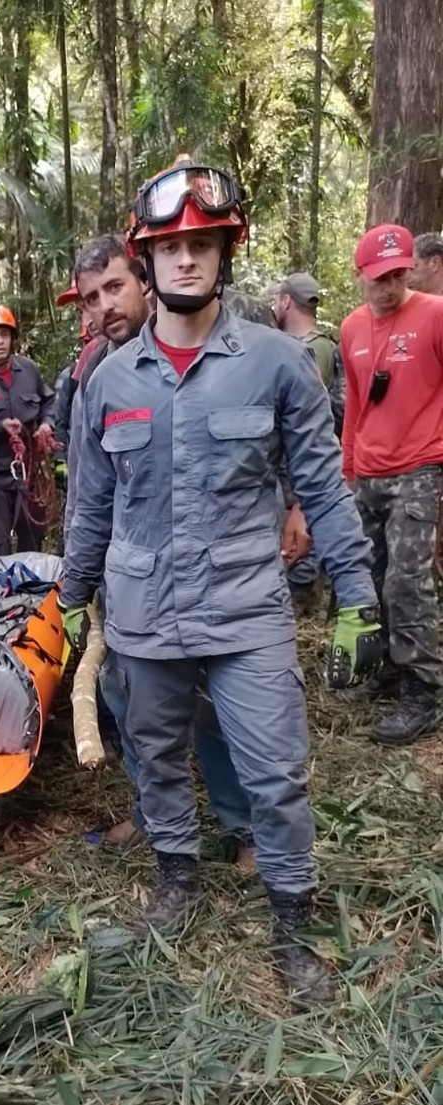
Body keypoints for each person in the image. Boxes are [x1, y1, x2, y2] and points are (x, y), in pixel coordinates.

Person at [60, 160, 380, 1006]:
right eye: (171, 246)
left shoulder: (277, 364)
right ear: (149, 258)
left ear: (226, 252)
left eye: (203, 243)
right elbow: (88, 508)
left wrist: (359, 595)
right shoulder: (109, 382)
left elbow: (322, 486)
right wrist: (67, 600)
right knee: (157, 756)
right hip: (141, 617)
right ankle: (176, 876)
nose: (187, 260)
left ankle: (292, 920)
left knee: (276, 772)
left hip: (246, 611)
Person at [66, 233, 254, 861]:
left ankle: (240, 825)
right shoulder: (93, 371)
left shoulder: (223, 346)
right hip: (127, 577)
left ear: (144, 280)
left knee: (211, 706)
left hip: (212, 573)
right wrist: (78, 578)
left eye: (115, 287)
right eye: (91, 298)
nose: (105, 307)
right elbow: (89, 489)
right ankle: (154, 818)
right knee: (130, 703)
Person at [340, 224, 443, 744]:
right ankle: (386, 669)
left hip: (421, 465)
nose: (390, 285)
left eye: (400, 273)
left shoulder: (434, 314)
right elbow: (355, 403)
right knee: (371, 575)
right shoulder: (352, 328)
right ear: (361, 275)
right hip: (370, 473)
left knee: (407, 582)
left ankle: (424, 691)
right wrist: (348, 468)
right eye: (380, 277)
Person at [270, 271, 344, 611]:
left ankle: (301, 601)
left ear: (286, 301)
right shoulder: (328, 346)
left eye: (277, 300)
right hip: (316, 455)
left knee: (296, 533)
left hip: (298, 461)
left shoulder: (300, 351)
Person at [0, 305, 55, 562]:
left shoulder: (28, 370)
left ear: (12, 337)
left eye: (4, 334)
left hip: (29, 474)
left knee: (33, 538)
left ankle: (33, 598)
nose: (0, 341)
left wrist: (46, 424)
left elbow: (48, 402)